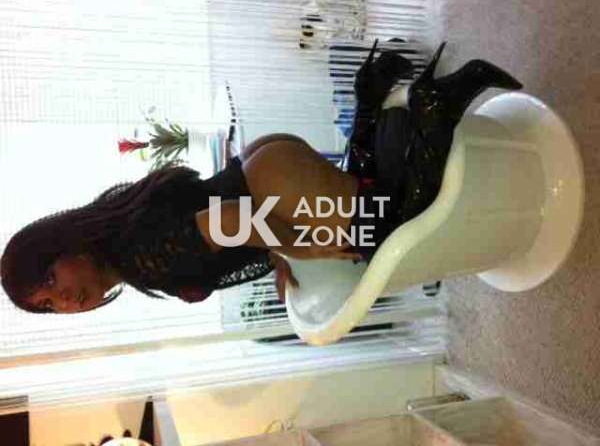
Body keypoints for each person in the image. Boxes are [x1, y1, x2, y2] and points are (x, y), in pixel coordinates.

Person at [0, 42, 522, 314]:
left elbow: (225, 221)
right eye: (48, 304)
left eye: (50, 280)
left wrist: (298, 246)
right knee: (370, 206)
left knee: (390, 234)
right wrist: (276, 250)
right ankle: (370, 90)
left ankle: (435, 106)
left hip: (271, 190)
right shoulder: (123, 233)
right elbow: (216, 223)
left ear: (64, 247)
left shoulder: (140, 256)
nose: (64, 300)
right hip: (267, 171)